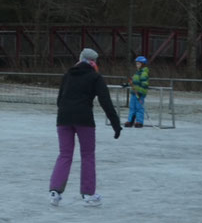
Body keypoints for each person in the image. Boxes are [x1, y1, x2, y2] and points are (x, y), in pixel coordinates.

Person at [50, 47, 121, 206]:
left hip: (63, 119)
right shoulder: (95, 77)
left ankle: (55, 191)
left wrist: (66, 111)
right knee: (87, 155)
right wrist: (116, 124)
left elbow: (59, 100)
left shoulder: (68, 74)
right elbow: (106, 102)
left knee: (65, 154)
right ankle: (88, 194)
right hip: (84, 120)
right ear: (94, 62)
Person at [126, 55, 150, 128]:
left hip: (140, 94)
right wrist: (127, 84)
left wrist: (140, 92)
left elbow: (144, 83)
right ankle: (130, 121)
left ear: (142, 64)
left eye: (139, 64)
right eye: (136, 63)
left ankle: (139, 122)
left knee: (139, 107)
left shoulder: (144, 73)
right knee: (132, 107)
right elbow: (133, 81)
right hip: (134, 93)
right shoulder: (137, 73)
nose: (137, 65)